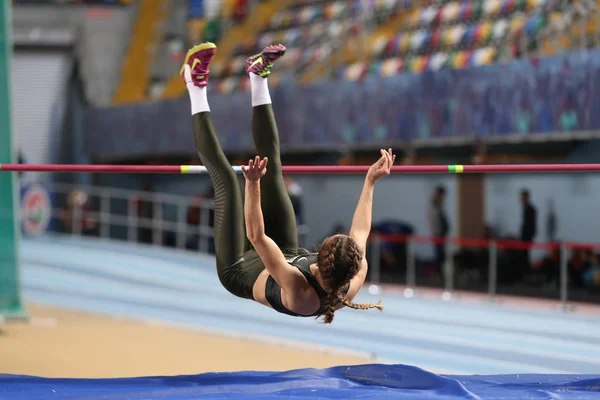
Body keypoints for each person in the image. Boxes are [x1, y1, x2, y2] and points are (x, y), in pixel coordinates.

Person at [181, 42, 395, 323]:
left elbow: (256, 237)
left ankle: (194, 84)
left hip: (239, 268)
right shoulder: (354, 270)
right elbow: (361, 230)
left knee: (226, 180)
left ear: (324, 256)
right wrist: (370, 182)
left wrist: (253, 185)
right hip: (283, 253)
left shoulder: (301, 291)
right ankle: (258, 77)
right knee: (273, 164)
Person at [428, 185, 449, 274]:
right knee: (439, 254)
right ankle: (439, 272)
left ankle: (441, 271)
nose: (443, 197)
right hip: (437, 233)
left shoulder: (438, 203)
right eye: (442, 195)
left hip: (440, 232)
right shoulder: (434, 203)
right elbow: (435, 218)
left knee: (441, 253)